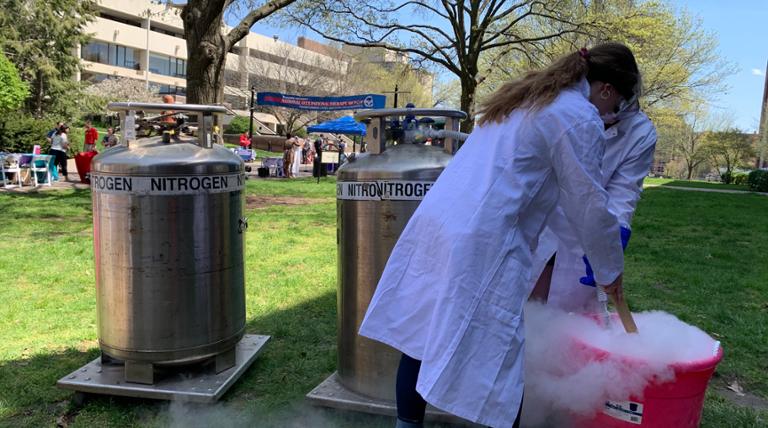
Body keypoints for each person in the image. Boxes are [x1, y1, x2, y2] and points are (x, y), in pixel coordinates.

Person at [358, 43, 640, 428]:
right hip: (484, 240)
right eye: (619, 104)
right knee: (501, 355)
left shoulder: (526, 99)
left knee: (422, 336)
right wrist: (611, 271)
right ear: (606, 88)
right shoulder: (577, 116)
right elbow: (589, 204)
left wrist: (602, 256)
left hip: (440, 226)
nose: (613, 115)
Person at [529, 97, 657, 311]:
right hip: (541, 221)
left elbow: (624, 190)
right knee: (524, 310)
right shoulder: (564, 112)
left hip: (585, 231)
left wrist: (613, 236)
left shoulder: (641, 131)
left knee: (568, 321)